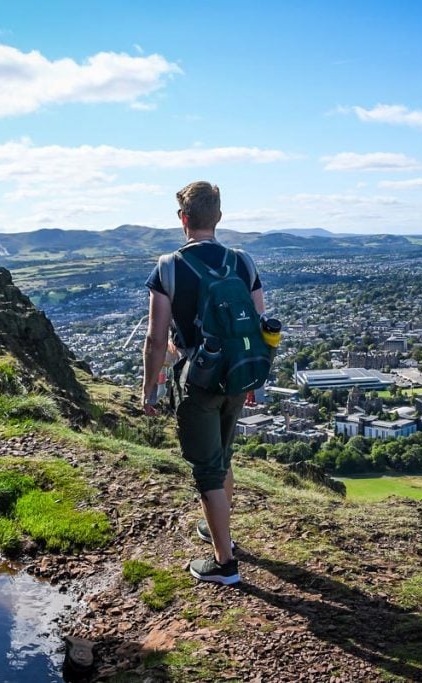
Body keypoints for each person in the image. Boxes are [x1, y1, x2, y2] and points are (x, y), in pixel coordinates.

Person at [142, 181, 264, 585]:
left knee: (207, 472)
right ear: (219, 217)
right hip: (236, 376)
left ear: (183, 219)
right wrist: (254, 380)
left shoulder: (169, 267)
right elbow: (258, 328)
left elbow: (156, 338)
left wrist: (150, 389)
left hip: (198, 382)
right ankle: (219, 528)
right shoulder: (243, 263)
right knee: (223, 458)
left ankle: (225, 564)